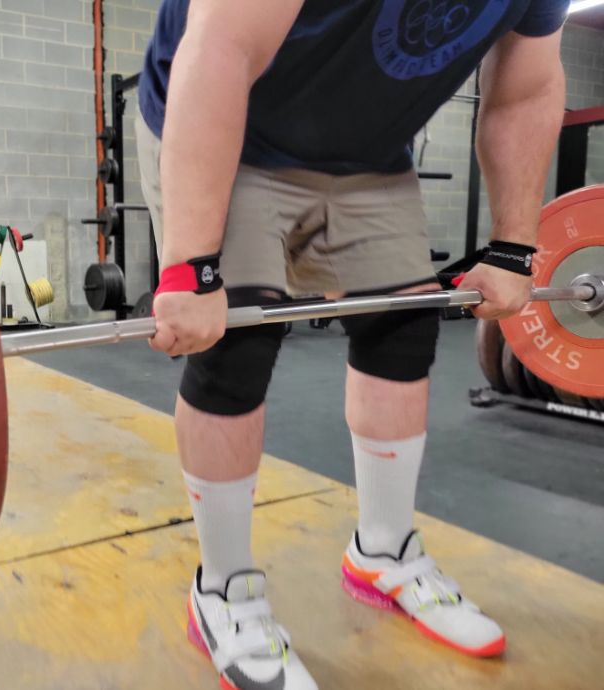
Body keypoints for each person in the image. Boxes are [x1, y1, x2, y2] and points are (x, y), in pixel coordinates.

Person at [135, 1, 569, 688]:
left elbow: (529, 86)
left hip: (365, 153)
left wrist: (515, 249)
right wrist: (193, 268)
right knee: (240, 338)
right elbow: (220, 47)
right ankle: (221, 592)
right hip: (227, 114)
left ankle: (383, 552)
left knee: (403, 322)